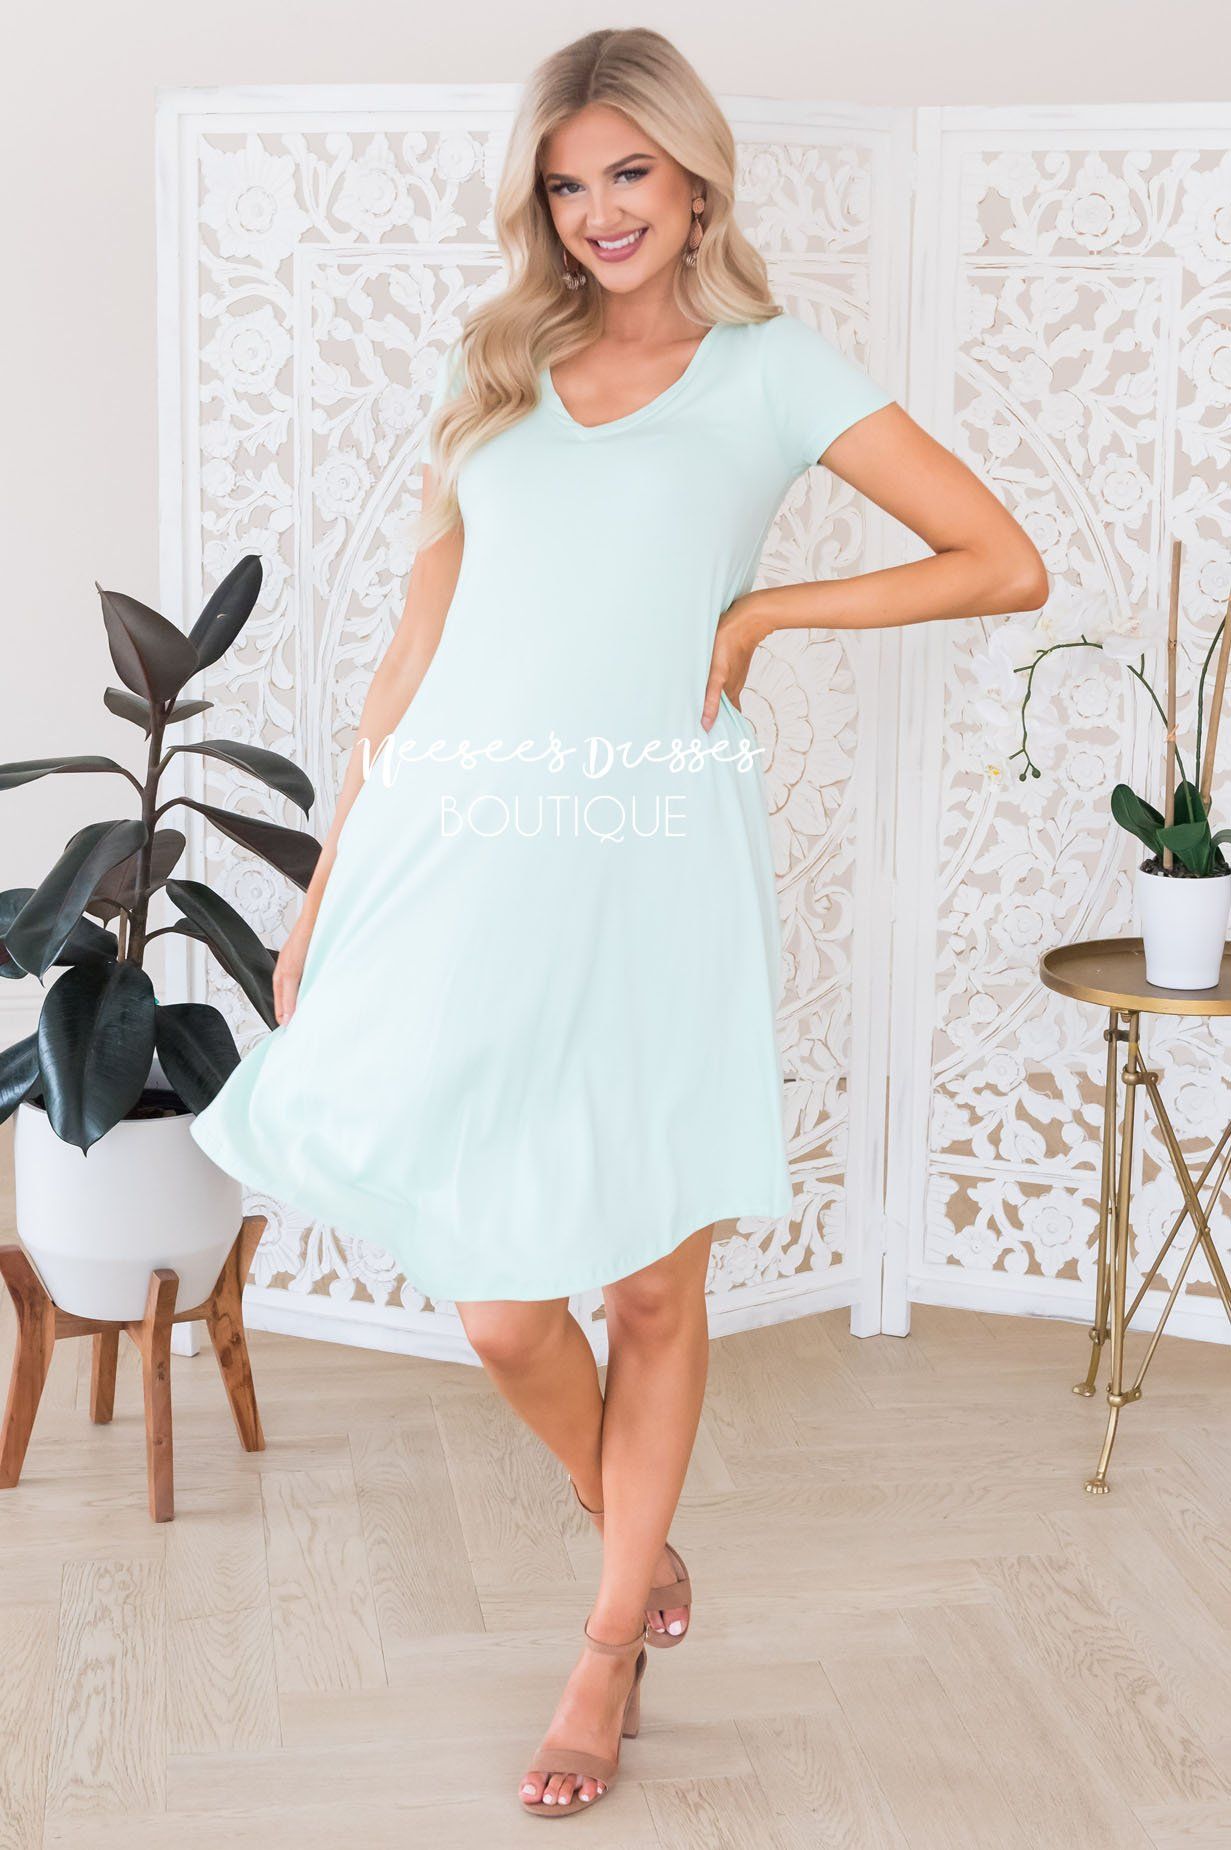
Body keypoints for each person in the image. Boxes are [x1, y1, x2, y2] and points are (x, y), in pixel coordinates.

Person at [189, 25, 1048, 1819]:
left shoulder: (772, 368)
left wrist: (761, 618)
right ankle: (632, 1532)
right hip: (463, 844)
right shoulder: (497, 362)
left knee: (653, 1280)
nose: (598, 213)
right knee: (505, 1309)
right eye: (567, 183)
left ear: (696, 174)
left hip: (653, 850)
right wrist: (334, 876)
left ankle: (602, 1648)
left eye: (628, 173)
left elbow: (999, 557)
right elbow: (419, 638)